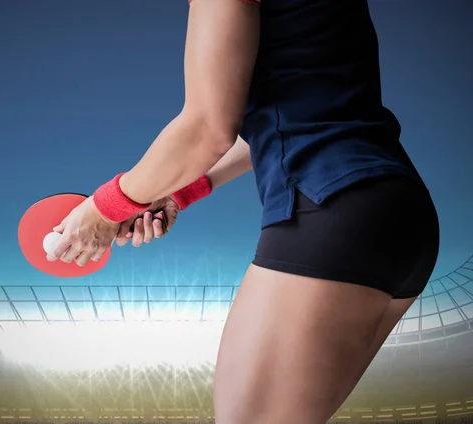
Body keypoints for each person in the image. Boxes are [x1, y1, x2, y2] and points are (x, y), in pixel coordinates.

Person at [47, 1, 440, 423]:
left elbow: (207, 129)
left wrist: (105, 209)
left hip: (328, 212)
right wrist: (178, 192)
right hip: (397, 210)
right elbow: (282, 112)